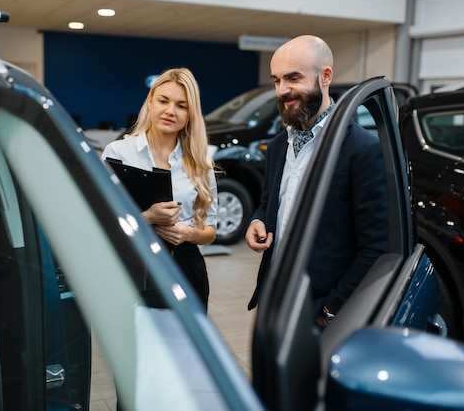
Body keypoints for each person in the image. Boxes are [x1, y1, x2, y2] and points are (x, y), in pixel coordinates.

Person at [245, 35, 388, 331]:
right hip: (275, 297)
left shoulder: (363, 149)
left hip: (324, 311)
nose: (283, 90)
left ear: (325, 76)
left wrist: (329, 311)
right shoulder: (276, 147)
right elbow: (269, 202)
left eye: (293, 78)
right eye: (276, 80)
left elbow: (377, 248)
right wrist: (258, 220)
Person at [101, 67, 218, 310]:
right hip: (132, 267)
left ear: (190, 114)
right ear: (150, 102)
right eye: (163, 101)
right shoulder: (118, 154)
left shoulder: (199, 163)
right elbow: (102, 222)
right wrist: (147, 218)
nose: (170, 111)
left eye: (181, 106)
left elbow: (210, 231)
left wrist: (188, 234)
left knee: (186, 347)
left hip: (186, 269)